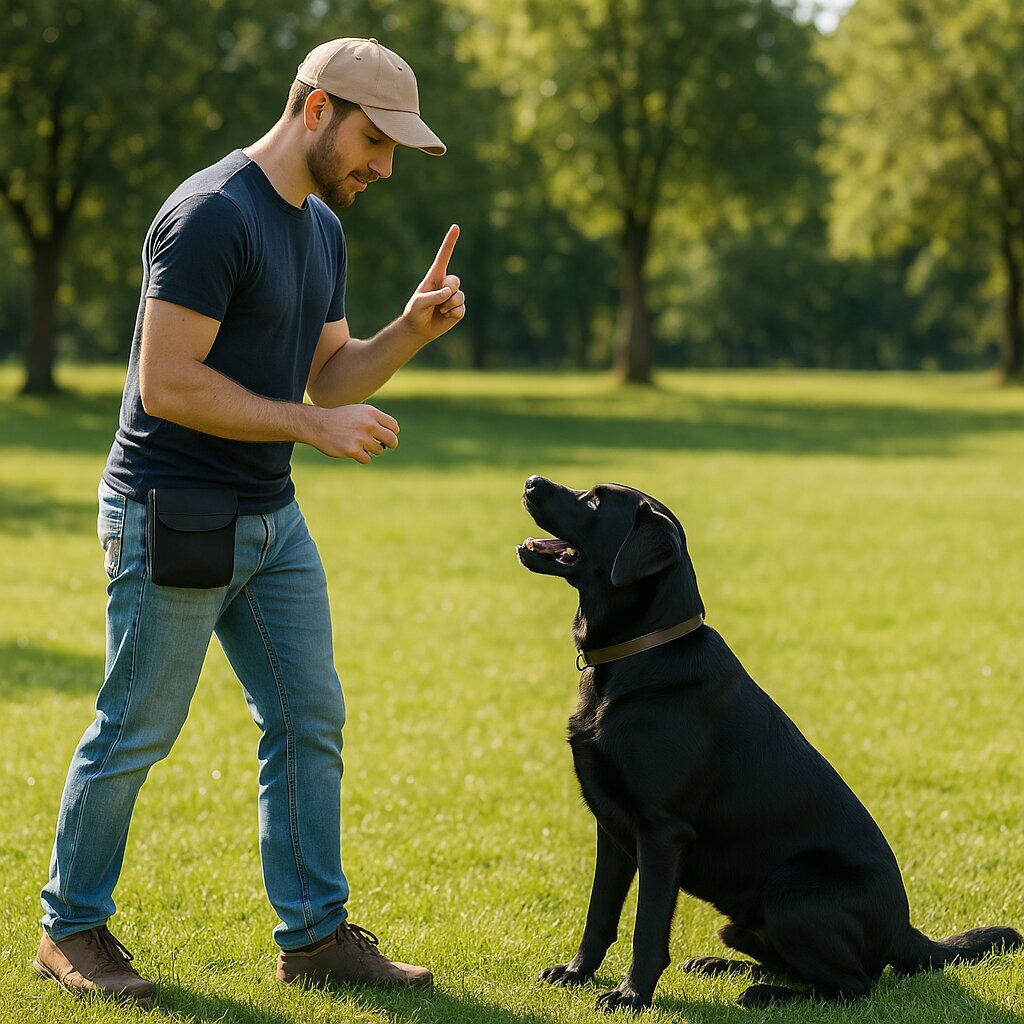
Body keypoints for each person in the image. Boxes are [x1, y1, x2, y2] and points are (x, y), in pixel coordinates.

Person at [33, 37, 465, 1003]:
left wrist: (409, 331)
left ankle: (314, 938)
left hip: (269, 518)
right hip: (172, 511)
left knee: (309, 718)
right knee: (137, 728)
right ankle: (71, 930)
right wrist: (312, 427)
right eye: (374, 140)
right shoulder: (208, 216)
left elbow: (329, 372)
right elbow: (168, 382)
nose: (384, 166)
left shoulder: (320, 229)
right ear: (315, 109)